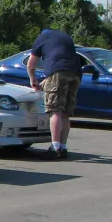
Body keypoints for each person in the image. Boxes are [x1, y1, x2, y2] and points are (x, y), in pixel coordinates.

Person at [27, 27, 81, 160]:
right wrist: (44, 83)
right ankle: (63, 147)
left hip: (58, 72)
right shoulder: (65, 37)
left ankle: (54, 147)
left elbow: (30, 65)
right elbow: (61, 68)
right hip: (76, 74)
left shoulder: (43, 37)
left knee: (54, 110)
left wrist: (32, 79)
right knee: (65, 112)